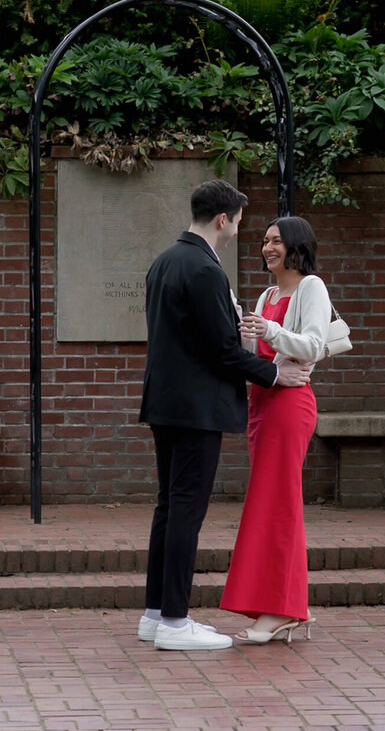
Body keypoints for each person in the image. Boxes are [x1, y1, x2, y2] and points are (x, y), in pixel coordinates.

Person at [137, 179, 311, 652]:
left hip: (165, 403)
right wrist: (274, 374)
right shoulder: (206, 269)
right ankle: (175, 622)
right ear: (222, 219)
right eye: (237, 222)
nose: (237, 230)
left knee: (168, 507)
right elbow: (222, 351)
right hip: (197, 408)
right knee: (186, 512)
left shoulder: (164, 261)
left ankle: (155, 613)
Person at [220, 214, 331, 645]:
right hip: (262, 403)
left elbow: (314, 345)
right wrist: (243, 328)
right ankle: (279, 606)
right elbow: (259, 353)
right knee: (267, 503)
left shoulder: (311, 287)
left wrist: (270, 329)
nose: (267, 248)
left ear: (296, 246)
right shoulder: (267, 294)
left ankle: (284, 609)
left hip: (290, 405)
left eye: (276, 241)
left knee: (279, 504)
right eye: (265, 241)